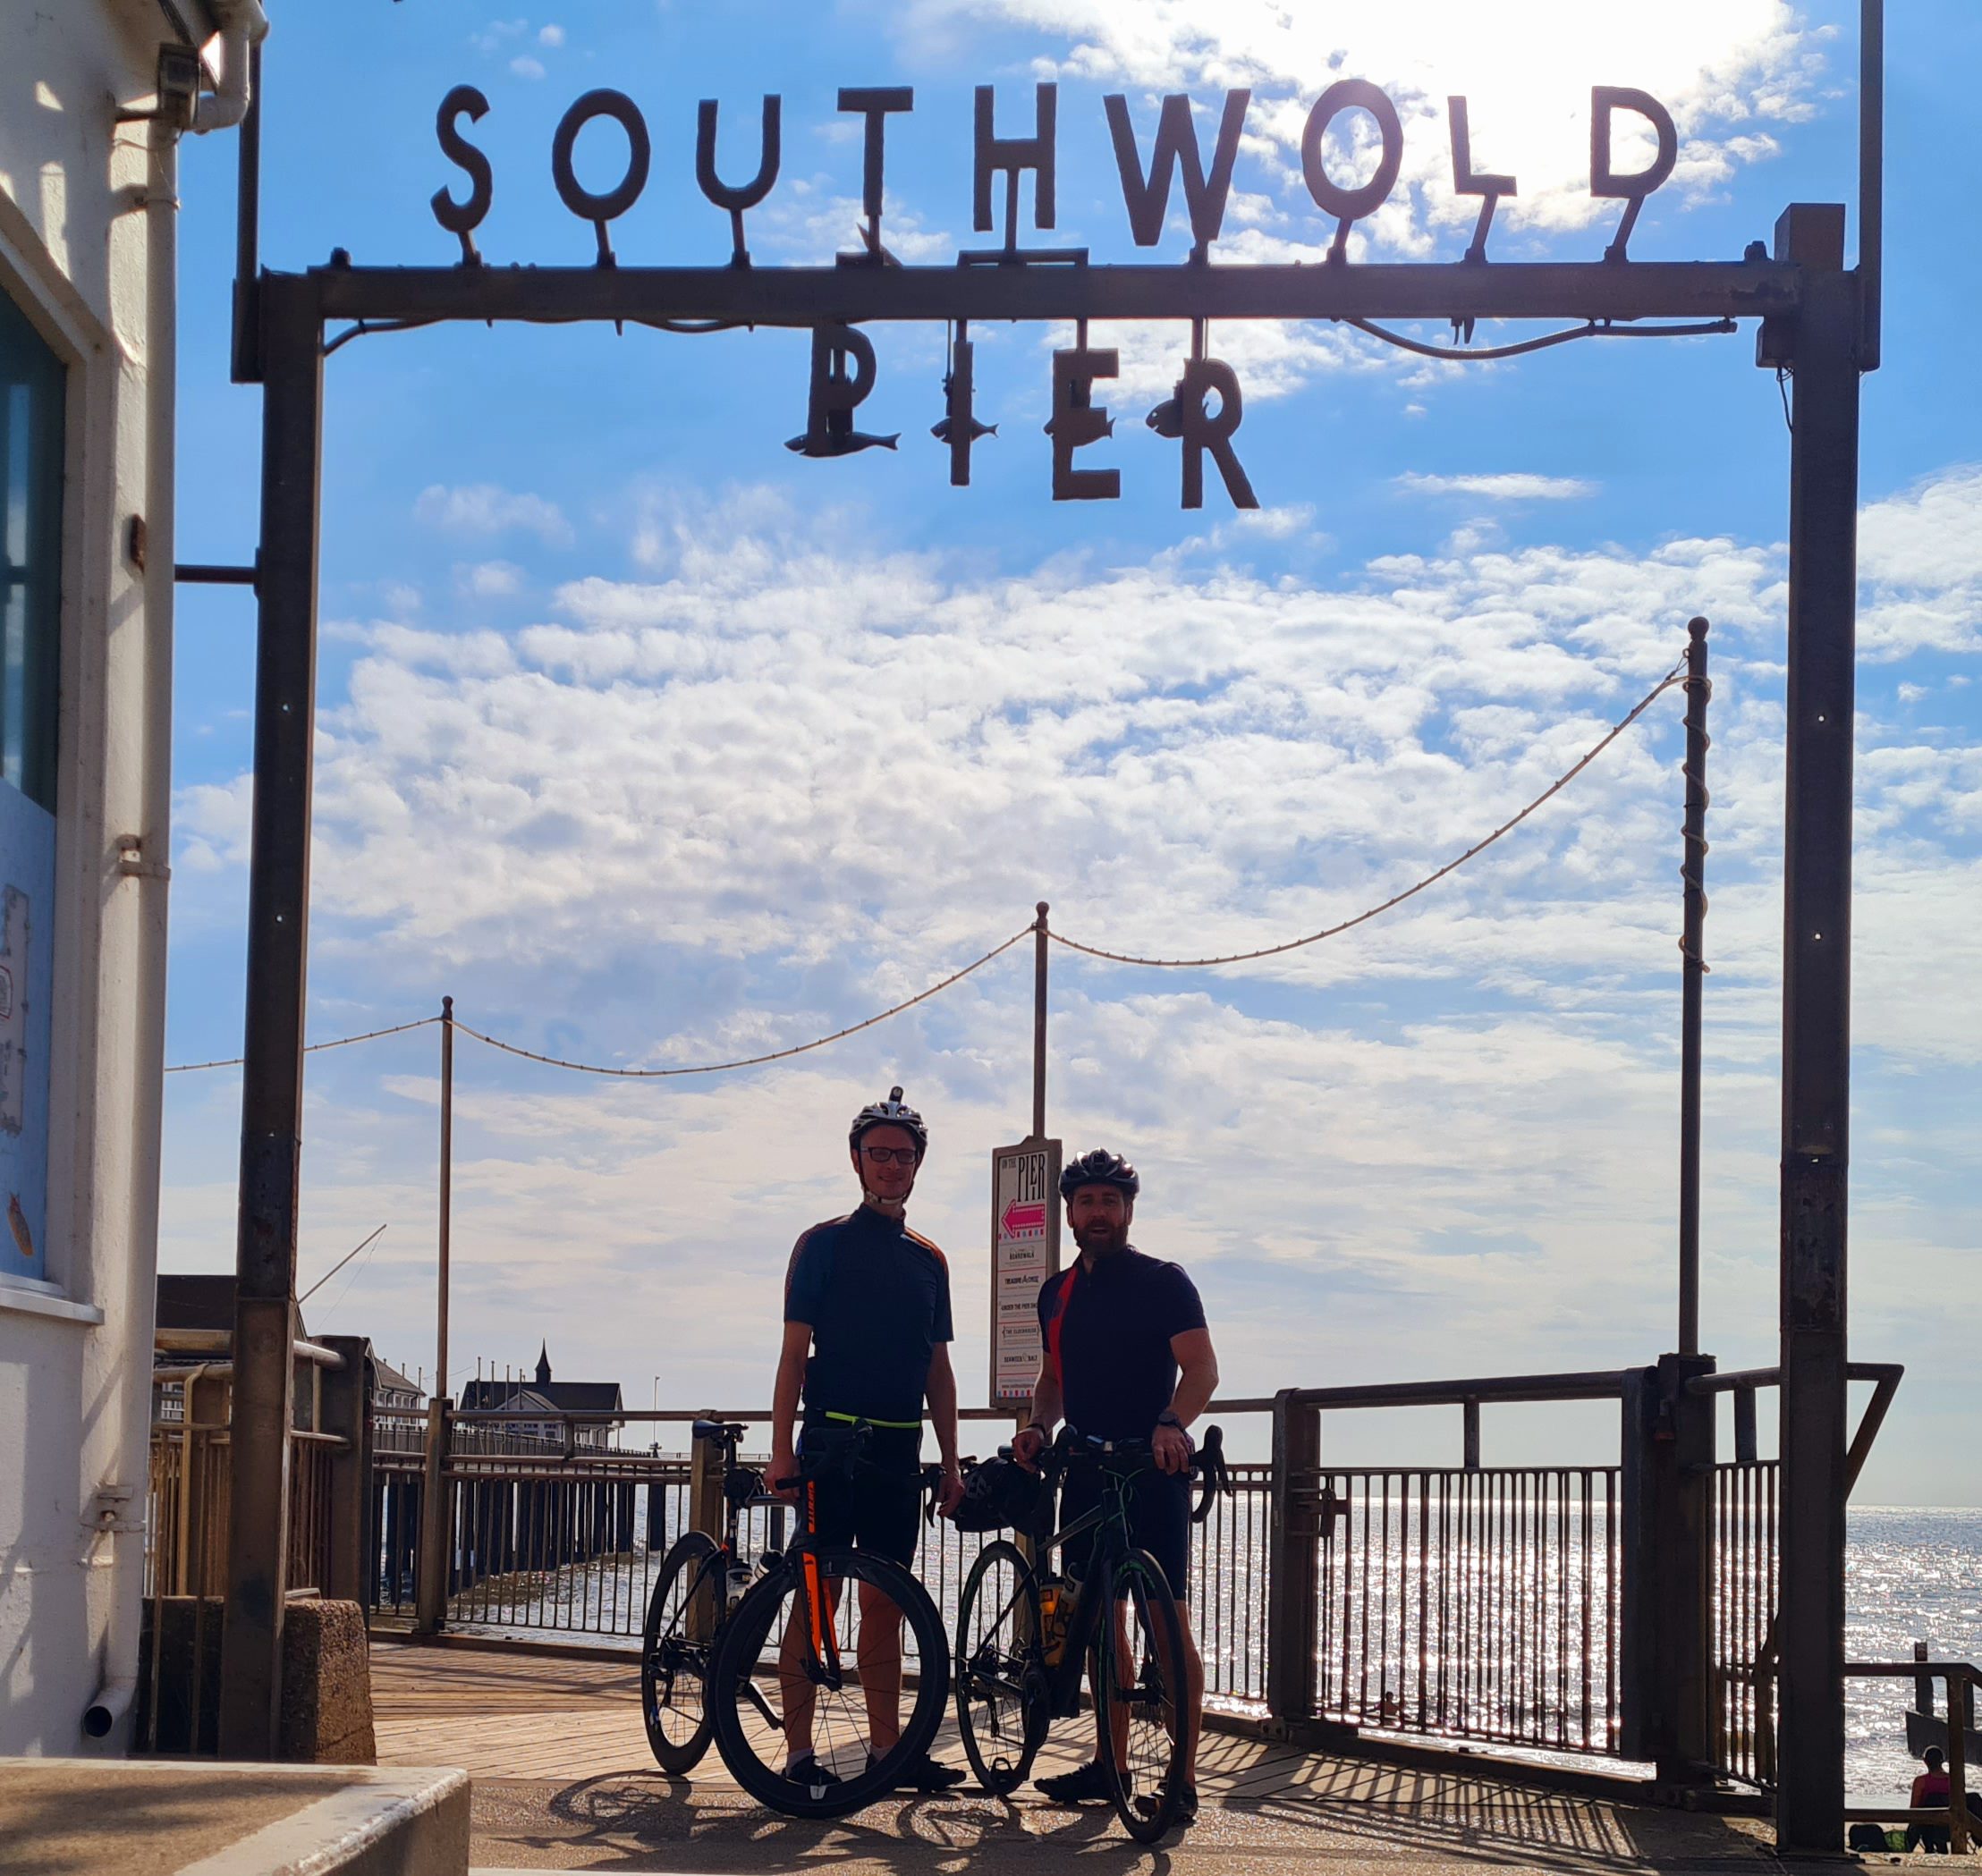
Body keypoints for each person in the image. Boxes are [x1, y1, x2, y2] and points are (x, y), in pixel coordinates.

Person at [1012, 1148, 1219, 1824]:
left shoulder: (1164, 1282)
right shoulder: (1057, 1292)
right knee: (1099, 1625)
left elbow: (1201, 1373)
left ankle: (1183, 1782)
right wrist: (1038, 1427)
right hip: (1086, 1469)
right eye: (1086, 1202)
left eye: (1110, 1201)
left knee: (1166, 1623)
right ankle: (1112, 1763)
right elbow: (1052, 1382)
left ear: (1128, 1210)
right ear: (1069, 1213)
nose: (1098, 1213)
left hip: (1152, 1469)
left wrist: (1170, 1423)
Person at [768, 1086, 965, 1794]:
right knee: (813, 1597)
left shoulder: (930, 1259)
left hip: (898, 1449)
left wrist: (948, 1461)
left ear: (918, 1166)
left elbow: (938, 1369)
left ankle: (890, 1752)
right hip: (830, 1444)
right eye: (879, 1154)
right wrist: (782, 1448)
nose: (891, 1166)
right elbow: (794, 1356)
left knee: (884, 1603)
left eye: (903, 1156)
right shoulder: (820, 1245)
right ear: (857, 1160)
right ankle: (797, 1754)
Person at [1909, 1746, 1954, 1852]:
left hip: (1927, 1827)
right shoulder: (1953, 1780)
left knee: (1921, 1819)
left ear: (1925, 1762)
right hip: (1950, 1827)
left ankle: (1920, 1849)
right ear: (1942, 1761)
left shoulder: (1921, 1781)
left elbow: (1914, 1809)